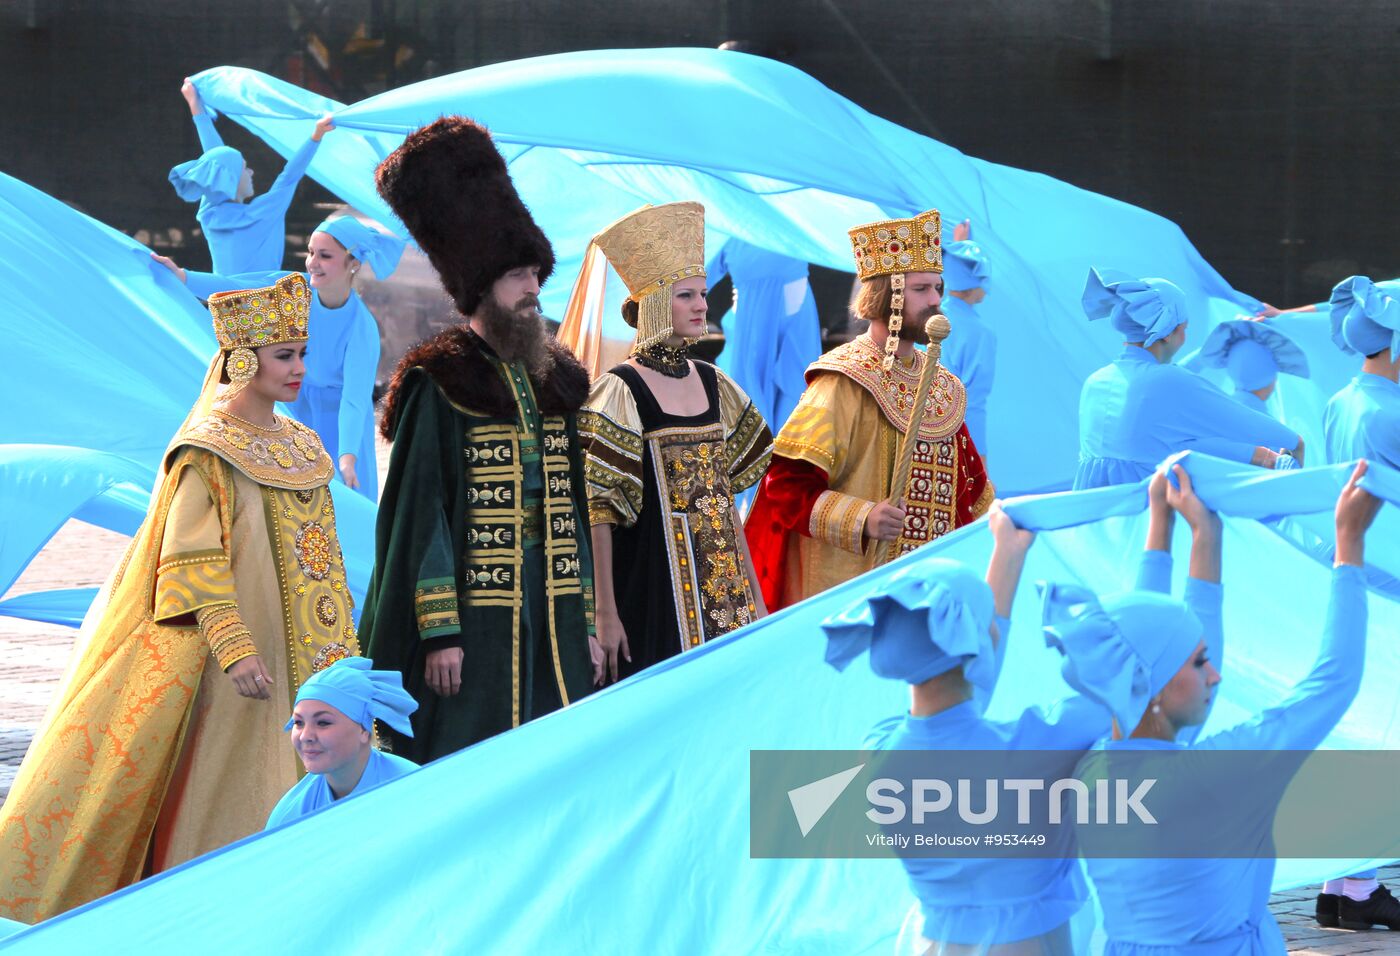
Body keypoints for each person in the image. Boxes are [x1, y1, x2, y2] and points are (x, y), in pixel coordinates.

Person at [0, 273, 360, 922]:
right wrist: (234, 644)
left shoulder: (302, 444)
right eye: (285, 355)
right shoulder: (208, 452)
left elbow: (322, 554)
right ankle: (218, 912)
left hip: (313, 651)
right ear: (243, 360)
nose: (300, 369)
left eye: (304, 353)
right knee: (232, 780)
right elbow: (190, 559)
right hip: (237, 663)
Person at [1045, 460, 1380, 953]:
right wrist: (1349, 544)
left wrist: (1185, 532)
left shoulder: (1091, 770)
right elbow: (1333, 682)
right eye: (1200, 662)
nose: (1216, 674)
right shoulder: (1214, 773)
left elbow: (1143, 641)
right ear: (1156, 687)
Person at [358, 116, 600, 763]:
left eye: (535, 275)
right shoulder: (440, 381)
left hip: (554, 605)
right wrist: (441, 632)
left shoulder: (559, 380)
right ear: (481, 286)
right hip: (476, 616)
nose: (533, 290)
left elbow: (574, 511)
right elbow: (421, 518)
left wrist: (586, 619)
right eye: (518, 276)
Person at [745, 208, 992, 611]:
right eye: (921, 289)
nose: (935, 300)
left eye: (937, 287)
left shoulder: (943, 386)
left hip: (928, 597)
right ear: (888, 296)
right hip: (853, 601)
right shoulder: (843, 381)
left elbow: (972, 496)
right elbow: (785, 487)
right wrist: (863, 518)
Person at [576, 202, 773, 683]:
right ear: (656, 303)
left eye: (703, 294)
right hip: (652, 585)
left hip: (724, 587)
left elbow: (726, 499)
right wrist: (604, 612)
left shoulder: (714, 383)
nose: (702, 305)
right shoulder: (620, 389)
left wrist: (755, 595)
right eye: (687, 295)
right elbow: (599, 511)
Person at [155, 214, 405, 500]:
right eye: (311, 252)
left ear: (354, 264)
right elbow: (235, 286)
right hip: (295, 406)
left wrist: (348, 455)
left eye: (325, 256)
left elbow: (354, 399)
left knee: (339, 502)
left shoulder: (362, 327)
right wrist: (183, 277)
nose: (312, 262)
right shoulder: (294, 289)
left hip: (339, 423)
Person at [1315, 274, 1400, 929]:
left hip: (1351, 572)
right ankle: (1359, 886)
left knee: (1358, 726)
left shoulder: (1340, 400)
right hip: (1389, 577)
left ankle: (1342, 885)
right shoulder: (1389, 414)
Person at [1073, 267, 1304, 489]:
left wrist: (1207, 351)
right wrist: (1294, 441)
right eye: (1184, 328)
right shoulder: (1167, 381)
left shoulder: (1096, 381)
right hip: (1145, 509)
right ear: (1166, 334)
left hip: (1091, 509)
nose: (1184, 337)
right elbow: (1239, 421)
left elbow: (1164, 426)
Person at [169, 78, 332, 274]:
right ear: (231, 180)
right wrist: (316, 135)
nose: (252, 172)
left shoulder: (208, 214)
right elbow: (289, 176)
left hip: (221, 294)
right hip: (264, 294)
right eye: (245, 168)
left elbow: (216, 161)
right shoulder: (263, 213)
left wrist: (195, 107)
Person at [266, 658, 419, 828]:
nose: (305, 736)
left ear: (363, 730)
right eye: (298, 722)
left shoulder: (417, 790)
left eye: (323, 722)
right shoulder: (288, 817)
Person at [711, 237, 823, 434]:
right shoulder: (725, 230)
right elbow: (697, 274)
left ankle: (783, 449)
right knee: (747, 396)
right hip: (754, 309)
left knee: (797, 389)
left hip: (791, 300)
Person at [939, 219, 996, 456]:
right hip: (957, 441)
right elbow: (974, 403)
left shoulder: (929, 317)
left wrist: (959, 249)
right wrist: (979, 456)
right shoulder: (980, 333)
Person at [1181, 318, 1310, 416]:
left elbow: (1175, 375)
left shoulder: (1203, 412)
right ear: (1272, 377)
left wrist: (1209, 349)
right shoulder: (1277, 433)